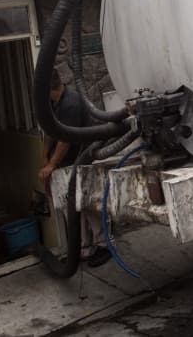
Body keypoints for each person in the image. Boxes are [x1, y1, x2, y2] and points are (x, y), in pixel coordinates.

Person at [41, 68, 111, 267]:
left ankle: (105, 245)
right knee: (73, 206)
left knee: (89, 204)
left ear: (47, 88)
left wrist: (51, 164)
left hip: (81, 159)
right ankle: (83, 248)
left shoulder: (70, 104)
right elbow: (50, 131)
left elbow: (65, 140)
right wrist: (45, 157)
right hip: (67, 164)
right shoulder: (53, 103)